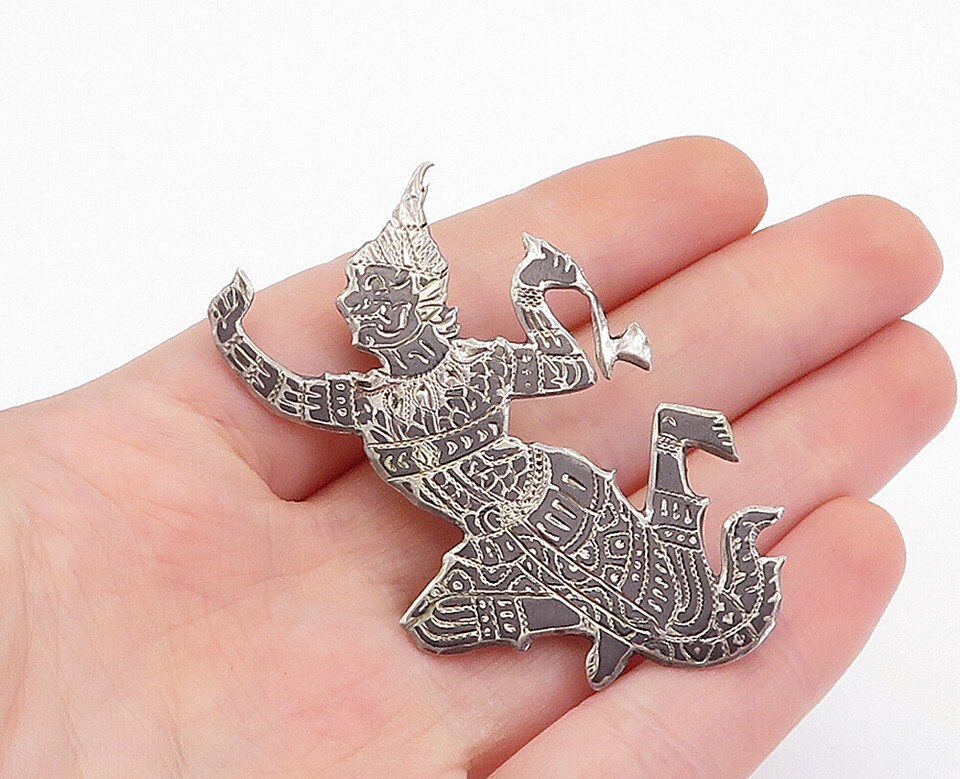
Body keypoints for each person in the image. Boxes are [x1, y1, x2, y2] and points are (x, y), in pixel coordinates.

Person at [0, 136, 952, 775]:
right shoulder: (369, 399)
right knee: (436, 623)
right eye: (364, 310)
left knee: (511, 611)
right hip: (497, 528)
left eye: (380, 304)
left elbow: (565, 371)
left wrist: (542, 299)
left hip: (551, 494)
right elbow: (291, 394)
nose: (364, 320)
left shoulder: (477, 365)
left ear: (417, 306)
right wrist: (232, 337)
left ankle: (636, 579)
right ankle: (599, 604)